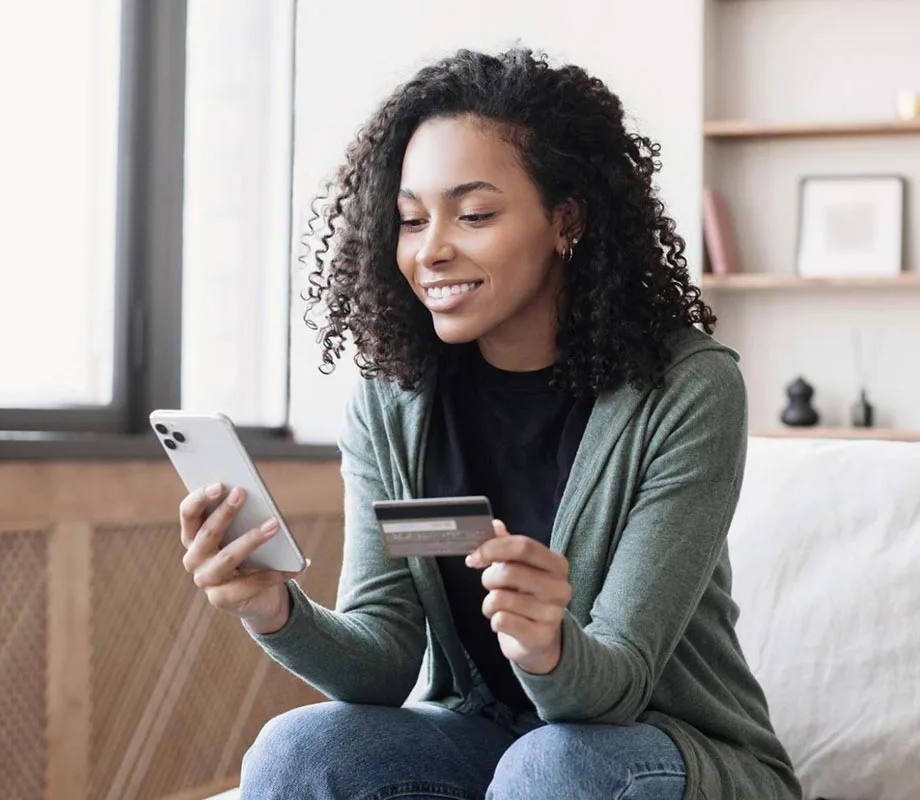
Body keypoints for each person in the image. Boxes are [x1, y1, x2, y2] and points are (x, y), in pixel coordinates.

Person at [177, 47, 801, 800]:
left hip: (655, 750)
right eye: (411, 219)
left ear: (565, 219)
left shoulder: (686, 388)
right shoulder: (393, 396)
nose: (431, 250)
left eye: (473, 214)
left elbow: (621, 684)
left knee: (553, 766)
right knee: (296, 751)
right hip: (488, 739)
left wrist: (546, 645)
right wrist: (275, 610)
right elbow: (386, 657)